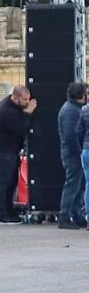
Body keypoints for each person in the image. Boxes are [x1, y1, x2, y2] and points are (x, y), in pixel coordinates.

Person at [0, 85, 35, 223]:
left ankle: (9, 210)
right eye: (25, 100)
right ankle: (1, 213)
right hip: (4, 150)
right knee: (4, 181)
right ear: (15, 97)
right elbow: (21, 129)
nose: (27, 102)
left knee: (11, 181)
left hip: (10, 149)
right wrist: (28, 113)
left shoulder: (11, 104)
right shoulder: (8, 111)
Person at [58, 82, 88, 231]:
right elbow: (70, 136)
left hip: (72, 152)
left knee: (79, 185)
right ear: (81, 95)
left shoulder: (72, 108)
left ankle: (76, 215)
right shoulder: (71, 111)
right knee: (72, 184)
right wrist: (80, 151)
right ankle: (64, 216)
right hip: (73, 154)